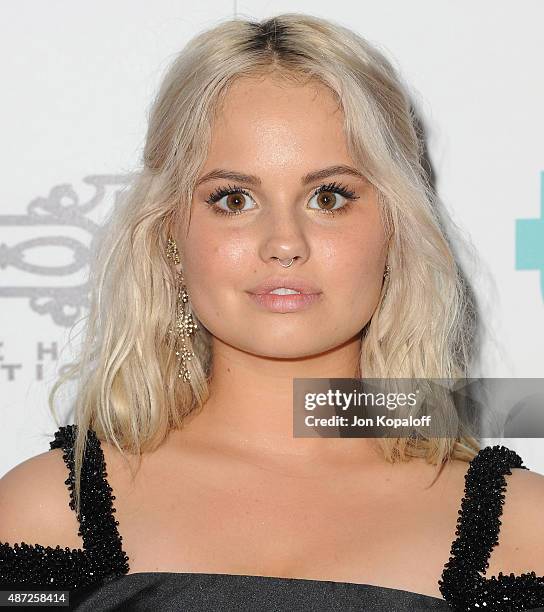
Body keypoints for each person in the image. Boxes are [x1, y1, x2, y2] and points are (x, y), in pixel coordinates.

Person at [1, 13, 543, 612]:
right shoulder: (49, 510)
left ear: (395, 229)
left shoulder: (521, 531)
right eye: (233, 199)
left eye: (329, 197)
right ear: (169, 238)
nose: (284, 242)